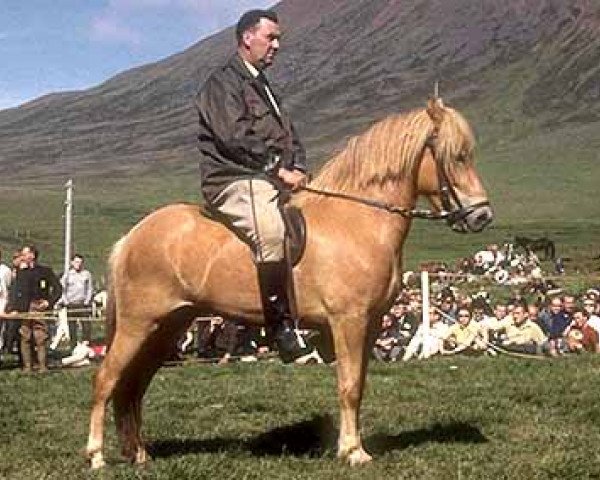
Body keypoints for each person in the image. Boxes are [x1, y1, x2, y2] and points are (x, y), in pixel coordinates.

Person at [195, 9, 308, 362]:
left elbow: (288, 136)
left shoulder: (264, 86)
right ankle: (280, 328)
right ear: (247, 38)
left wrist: (300, 166)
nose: (277, 45)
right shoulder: (222, 83)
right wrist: (277, 169)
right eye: (270, 37)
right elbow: (233, 137)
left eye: (278, 39)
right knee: (272, 230)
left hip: (268, 176)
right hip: (234, 179)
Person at [16, 245, 62, 372]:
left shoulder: (45, 271)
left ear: (32, 255)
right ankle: (27, 367)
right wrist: (15, 307)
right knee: (25, 336)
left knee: (40, 337)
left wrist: (49, 302)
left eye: (25, 254)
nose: (23, 257)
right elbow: (16, 291)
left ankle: (42, 366)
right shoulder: (21, 273)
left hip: (39, 307)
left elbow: (58, 289)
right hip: (25, 308)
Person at [59, 253, 94, 348]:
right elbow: (62, 288)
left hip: (83, 304)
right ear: (72, 263)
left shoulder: (86, 274)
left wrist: (87, 301)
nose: (78, 264)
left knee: (86, 325)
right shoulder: (67, 275)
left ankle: (86, 344)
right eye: (76, 262)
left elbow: (90, 288)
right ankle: (73, 345)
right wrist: (65, 301)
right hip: (71, 304)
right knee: (72, 326)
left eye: (80, 262)